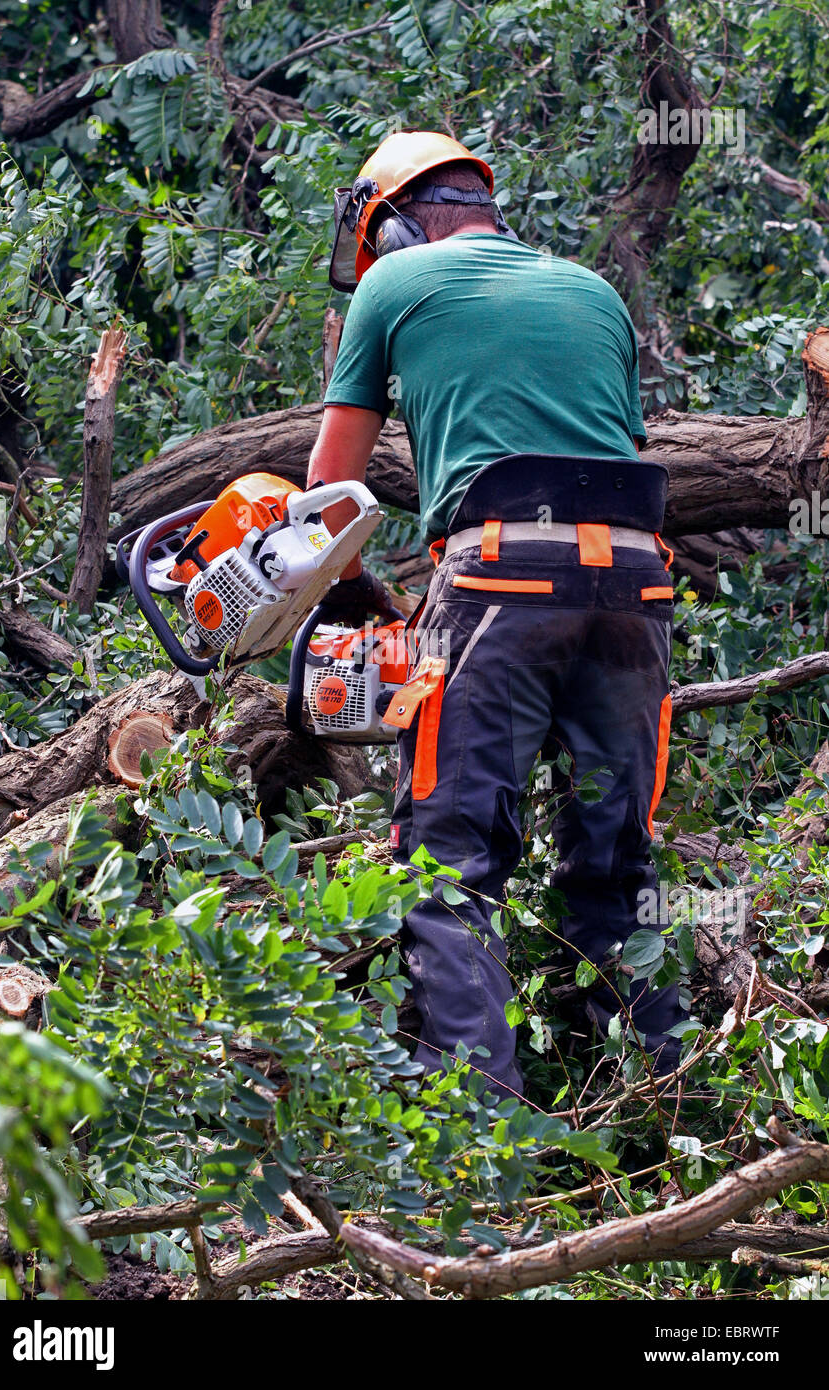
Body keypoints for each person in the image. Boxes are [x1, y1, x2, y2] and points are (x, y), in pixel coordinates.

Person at [306, 130, 685, 1100]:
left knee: (448, 860)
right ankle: (656, 1109)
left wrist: (337, 599)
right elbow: (598, 450)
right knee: (615, 858)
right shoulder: (590, 291)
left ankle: (480, 1149)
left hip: (499, 573)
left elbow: (327, 492)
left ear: (388, 224)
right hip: (635, 580)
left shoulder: (396, 285)